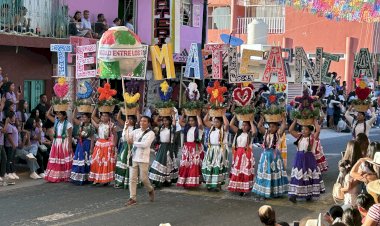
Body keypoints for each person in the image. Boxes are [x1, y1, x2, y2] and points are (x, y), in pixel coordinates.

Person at [288, 119, 325, 202]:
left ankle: (308, 194)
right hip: (299, 158)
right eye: (302, 129)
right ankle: (294, 195)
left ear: (310, 131)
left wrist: (314, 119)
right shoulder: (299, 136)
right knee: (298, 176)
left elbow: (318, 130)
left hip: (309, 159)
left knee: (308, 176)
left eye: (306, 129)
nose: (303, 131)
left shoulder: (312, 137)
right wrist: (295, 120)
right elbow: (290, 130)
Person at [252, 117, 289, 199]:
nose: (271, 128)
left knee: (273, 174)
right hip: (265, 156)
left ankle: (274, 192)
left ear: (277, 128)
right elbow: (259, 126)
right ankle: (264, 192)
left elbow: (283, 126)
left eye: (273, 127)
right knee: (265, 174)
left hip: (274, 156)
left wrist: (283, 117)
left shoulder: (278, 133)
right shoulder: (266, 133)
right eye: (270, 126)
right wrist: (262, 117)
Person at [126, 116, 156, 206]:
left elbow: (145, 144)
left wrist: (133, 142)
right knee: (132, 179)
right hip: (133, 156)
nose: (142, 122)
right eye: (141, 121)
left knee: (143, 178)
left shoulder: (151, 133)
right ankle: (132, 198)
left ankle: (150, 189)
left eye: (144, 121)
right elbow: (126, 138)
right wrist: (126, 127)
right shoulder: (135, 131)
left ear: (148, 123)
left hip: (143, 158)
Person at [228, 116, 256, 196]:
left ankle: (243, 189)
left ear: (249, 127)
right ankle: (238, 186)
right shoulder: (239, 132)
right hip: (238, 154)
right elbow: (231, 124)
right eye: (243, 125)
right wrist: (235, 116)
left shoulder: (250, 134)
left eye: (245, 125)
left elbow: (254, 130)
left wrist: (251, 121)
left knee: (244, 171)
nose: (243, 126)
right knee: (237, 171)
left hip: (246, 154)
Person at [149, 112, 178, 188]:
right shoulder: (161, 127)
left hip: (168, 148)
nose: (165, 122)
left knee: (166, 164)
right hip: (161, 147)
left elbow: (174, 124)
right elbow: (155, 121)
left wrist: (174, 115)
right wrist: (160, 113)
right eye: (164, 120)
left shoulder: (171, 128)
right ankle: (157, 182)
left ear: (170, 121)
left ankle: (165, 181)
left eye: (166, 120)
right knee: (158, 163)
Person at [44, 107, 73, 182]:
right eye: (57, 114)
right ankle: (56, 175)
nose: (58, 116)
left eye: (60, 114)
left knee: (63, 159)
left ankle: (65, 175)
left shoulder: (68, 124)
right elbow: (47, 115)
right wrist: (52, 107)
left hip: (64, 142)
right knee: (56, 159)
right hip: (56, 142)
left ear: (64, 116)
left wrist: (69, 146)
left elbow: (70, 136)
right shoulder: (56, 122)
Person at [202, 112, 229, 191]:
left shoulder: (223, 129)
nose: (215, 123)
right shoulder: (211, 128)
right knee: (209, 166)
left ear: (221, 122)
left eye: (217, 121)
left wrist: (223, 113)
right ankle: (209, 184)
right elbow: (205, 120)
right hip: (211, 150)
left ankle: (218, 185)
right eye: (213, 121)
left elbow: (227, 124)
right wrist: (209, 112)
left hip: (220, 150)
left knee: (218, 167)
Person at [89, 110, 116, 185]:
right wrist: (96, 107)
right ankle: (97, 178)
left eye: (106, 116)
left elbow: (115, 135)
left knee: (105, 162)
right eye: (102, 115)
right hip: (99, 144)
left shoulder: (111, 125)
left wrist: (114, 145)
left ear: (109, 117)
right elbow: (92, 116)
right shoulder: (99, 124)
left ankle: (105, 179)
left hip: (107, 145)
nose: (104, 117)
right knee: (97, 161)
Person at [177, 113, 204, 188]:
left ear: (196, 121)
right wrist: (184, 114)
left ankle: (192, 182)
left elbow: (200, 124)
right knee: (186, 164)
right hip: (186, 148)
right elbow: (180, 122)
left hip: (195, 147)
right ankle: (186, 182)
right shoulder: (187, 128)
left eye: (192, 121)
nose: (191, 122)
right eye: (189, 121)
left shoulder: (199, 129)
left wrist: (198, 114)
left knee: (194, 164)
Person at [114, 112, 139, 189]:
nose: (129, 120)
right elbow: (118, 118)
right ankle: (120, 182)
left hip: (131, 147)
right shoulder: (125, 125)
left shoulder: (136, 128)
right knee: (121, 163)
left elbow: (138, 119)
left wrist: (137, 111)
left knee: (129, 164)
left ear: (134, 121)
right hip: (124, 146)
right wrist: (122, 110)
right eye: (128, 118)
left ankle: (128, 182)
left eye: (131, 119)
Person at [70, 109, 95, 185]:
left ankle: (86, 178)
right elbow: (73, 118)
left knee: (86, 160)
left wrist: (91, 148)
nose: (83, 119)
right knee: (79, 159)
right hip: (80, 144)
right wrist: (76, 108)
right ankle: (78, 178)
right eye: (82, 117)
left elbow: (92, 138)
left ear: (89, 119)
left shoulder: (91, 127)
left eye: (85, 117)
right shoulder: (81, 124)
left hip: (87, 144)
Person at [338, 141, 362, 206]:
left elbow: (347, 187)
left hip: (348, 196)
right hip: (357, 194)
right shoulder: (360, 164)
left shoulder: (343, 164)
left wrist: (341, 190)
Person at [4, 111, 19, 180]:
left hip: (14, 145)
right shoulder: (9, 126)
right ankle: (8, 172)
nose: (15, 118)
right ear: (10, 118)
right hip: (10, 146)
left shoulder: (13, 125)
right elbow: (9, 137)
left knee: (13, 159)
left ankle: (13, 171)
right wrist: (13, 144)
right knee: (9, 159)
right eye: (13, 117)